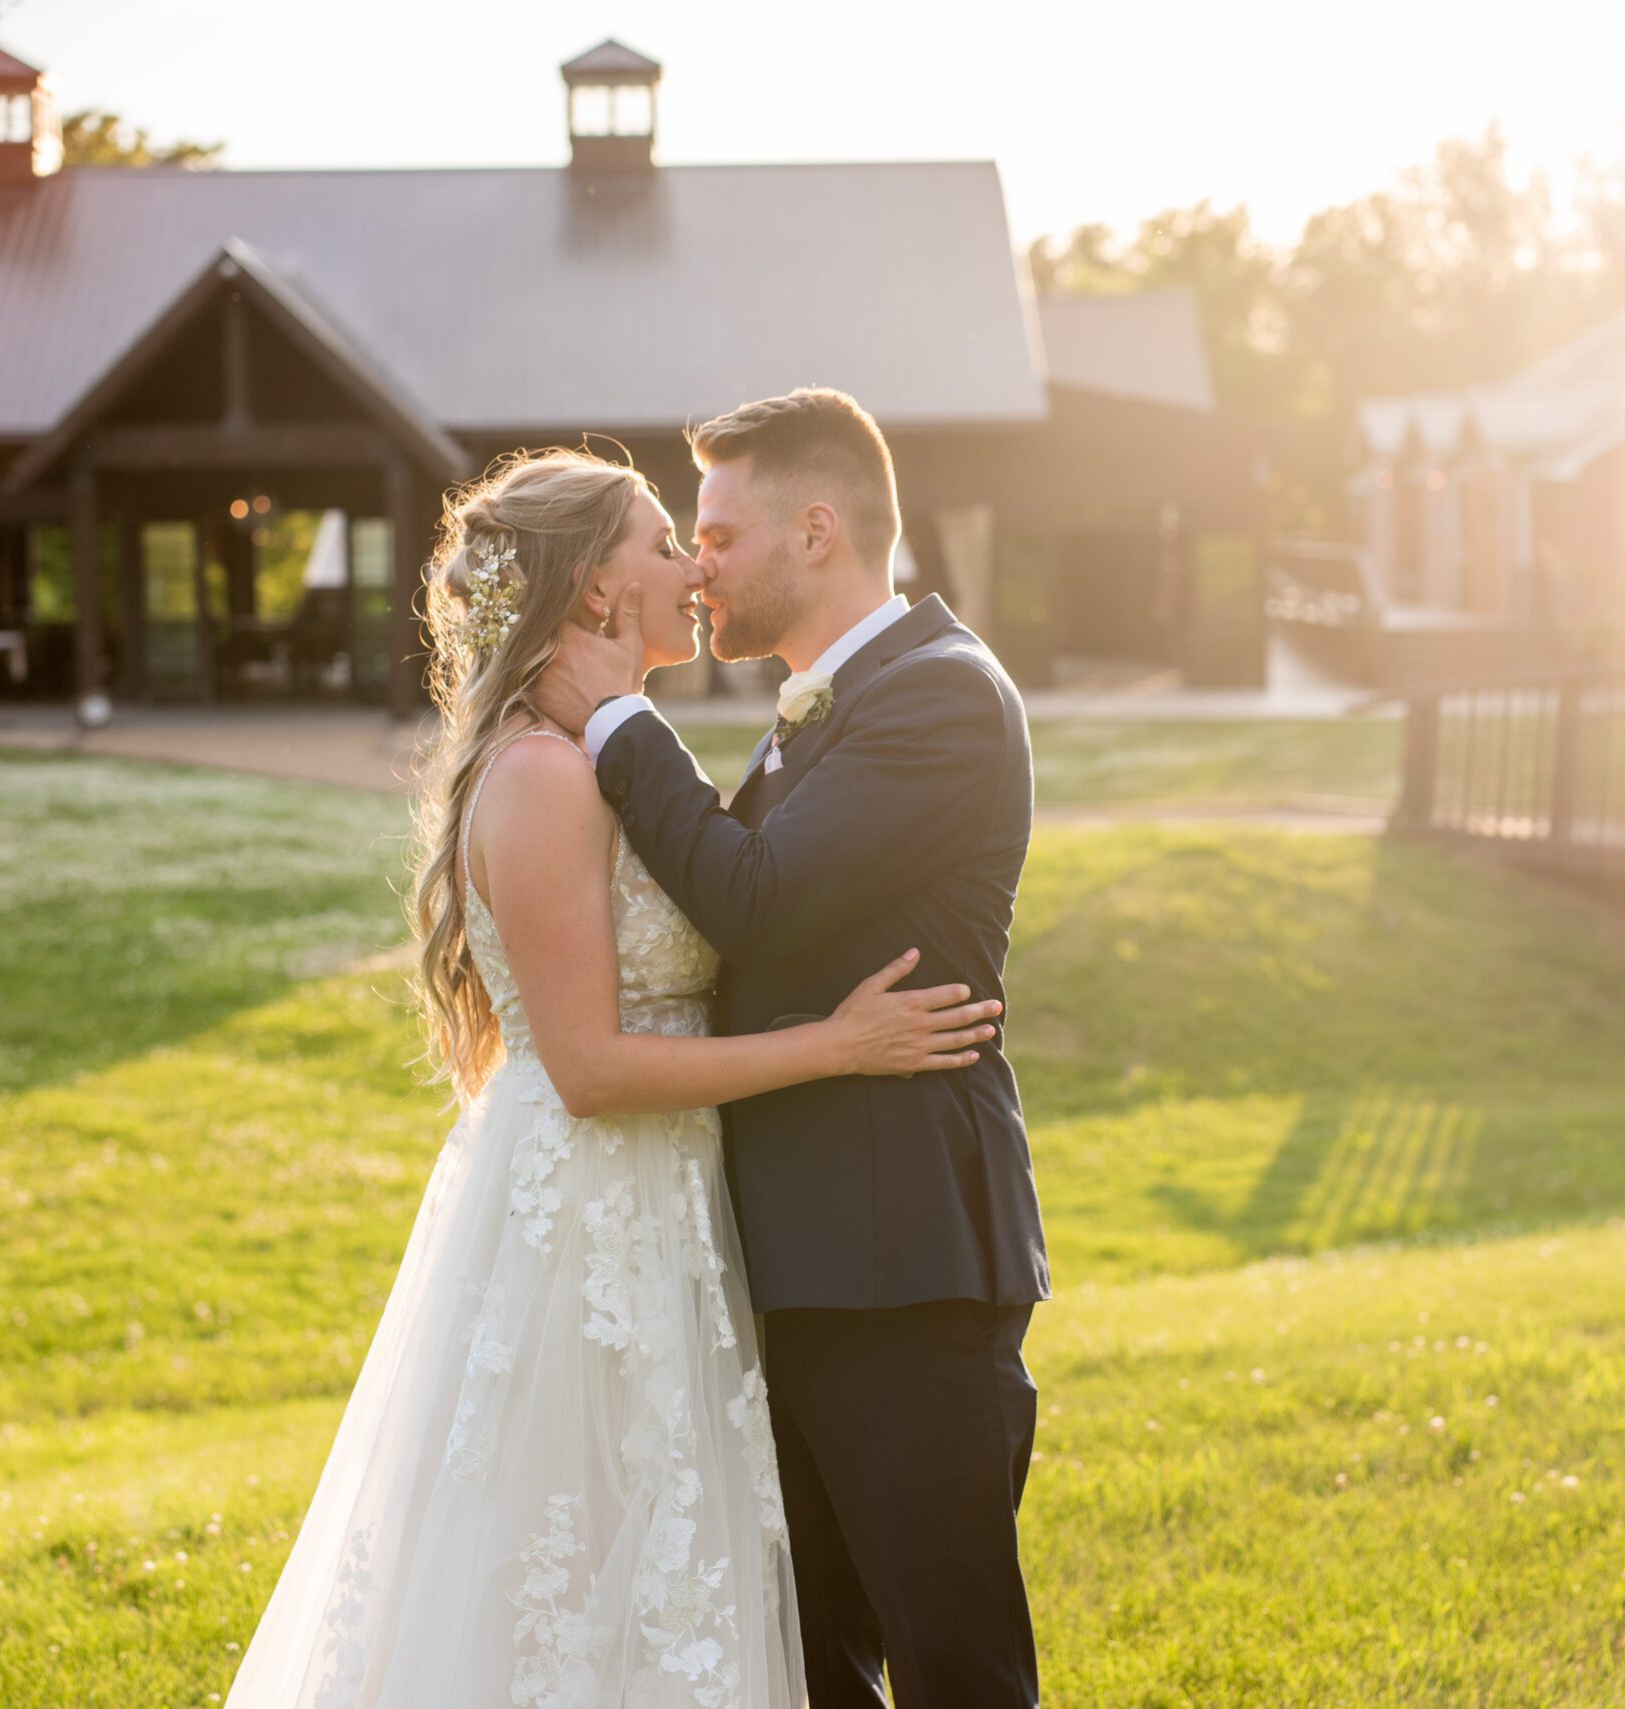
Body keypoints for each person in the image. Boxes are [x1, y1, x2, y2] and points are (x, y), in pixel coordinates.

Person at [221, 446, 1001, 1708]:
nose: (689, 564)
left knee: (662, 1574)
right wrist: (839, 1044)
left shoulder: (602, 759)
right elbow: (583, 1066)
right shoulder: (541, 775)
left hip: (672, 1205)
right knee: (566, 1578)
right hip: (588, 1216)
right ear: (591, 589)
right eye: (658, 542)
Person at [531, 388, 1049, 1709]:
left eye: (715, 532)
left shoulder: (940, 697)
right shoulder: (823, 703)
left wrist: (611, 719)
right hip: (802, 1268)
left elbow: (750, 895)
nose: (697, 564)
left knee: (956, 1666)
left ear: (815, 531)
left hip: (903, 1265)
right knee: (800, 1663)